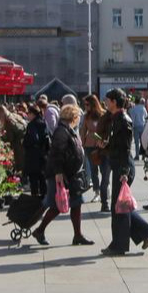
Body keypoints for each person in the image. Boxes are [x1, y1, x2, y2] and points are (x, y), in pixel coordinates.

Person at [102, 89, 148, 256]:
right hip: (120, 165)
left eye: (107, 100)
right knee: (121, 205)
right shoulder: (116, 119)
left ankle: (119, 245)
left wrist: (125, 171)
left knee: (119, 208)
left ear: (114, 102)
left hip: (123, 167)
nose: (105, 103)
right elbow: (117, 145)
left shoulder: (123, 120)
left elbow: (126, 148)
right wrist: (105, 145)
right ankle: (146, 233)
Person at [36, 103, 92, 246]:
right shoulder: (62, 131)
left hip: (70, 174)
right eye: (78, 116)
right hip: (62, 174)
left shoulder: (68, 129)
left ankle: (78, 235)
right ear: (73, 116)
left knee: (76, 203)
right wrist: (59, 172)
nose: (79, 118)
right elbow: (56, 153)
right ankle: (40, 230)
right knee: (57, 205)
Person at [81, 95, 109, 211]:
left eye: (87, 104)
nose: (86, 107)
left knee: (104, 170)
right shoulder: (86, 116)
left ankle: (105, 189)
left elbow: (107, 130)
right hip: (89, 146)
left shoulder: (103, 114)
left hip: (102, 146)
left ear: (93, 104)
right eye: (85, 105)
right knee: (93, 170)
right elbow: (83, 130)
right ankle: (97, 192)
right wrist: (82, 143)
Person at [21, 102, 50, 200]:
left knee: (33, 178)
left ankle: (35, 198)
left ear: (32, 114)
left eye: (28, 113)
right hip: (43, 154)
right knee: (42, 177)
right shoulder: (43, 122)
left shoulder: (32, 125)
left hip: (33, 155)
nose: (27, 115)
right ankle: (44, 197)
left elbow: (34, 138)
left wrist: (25, 142)